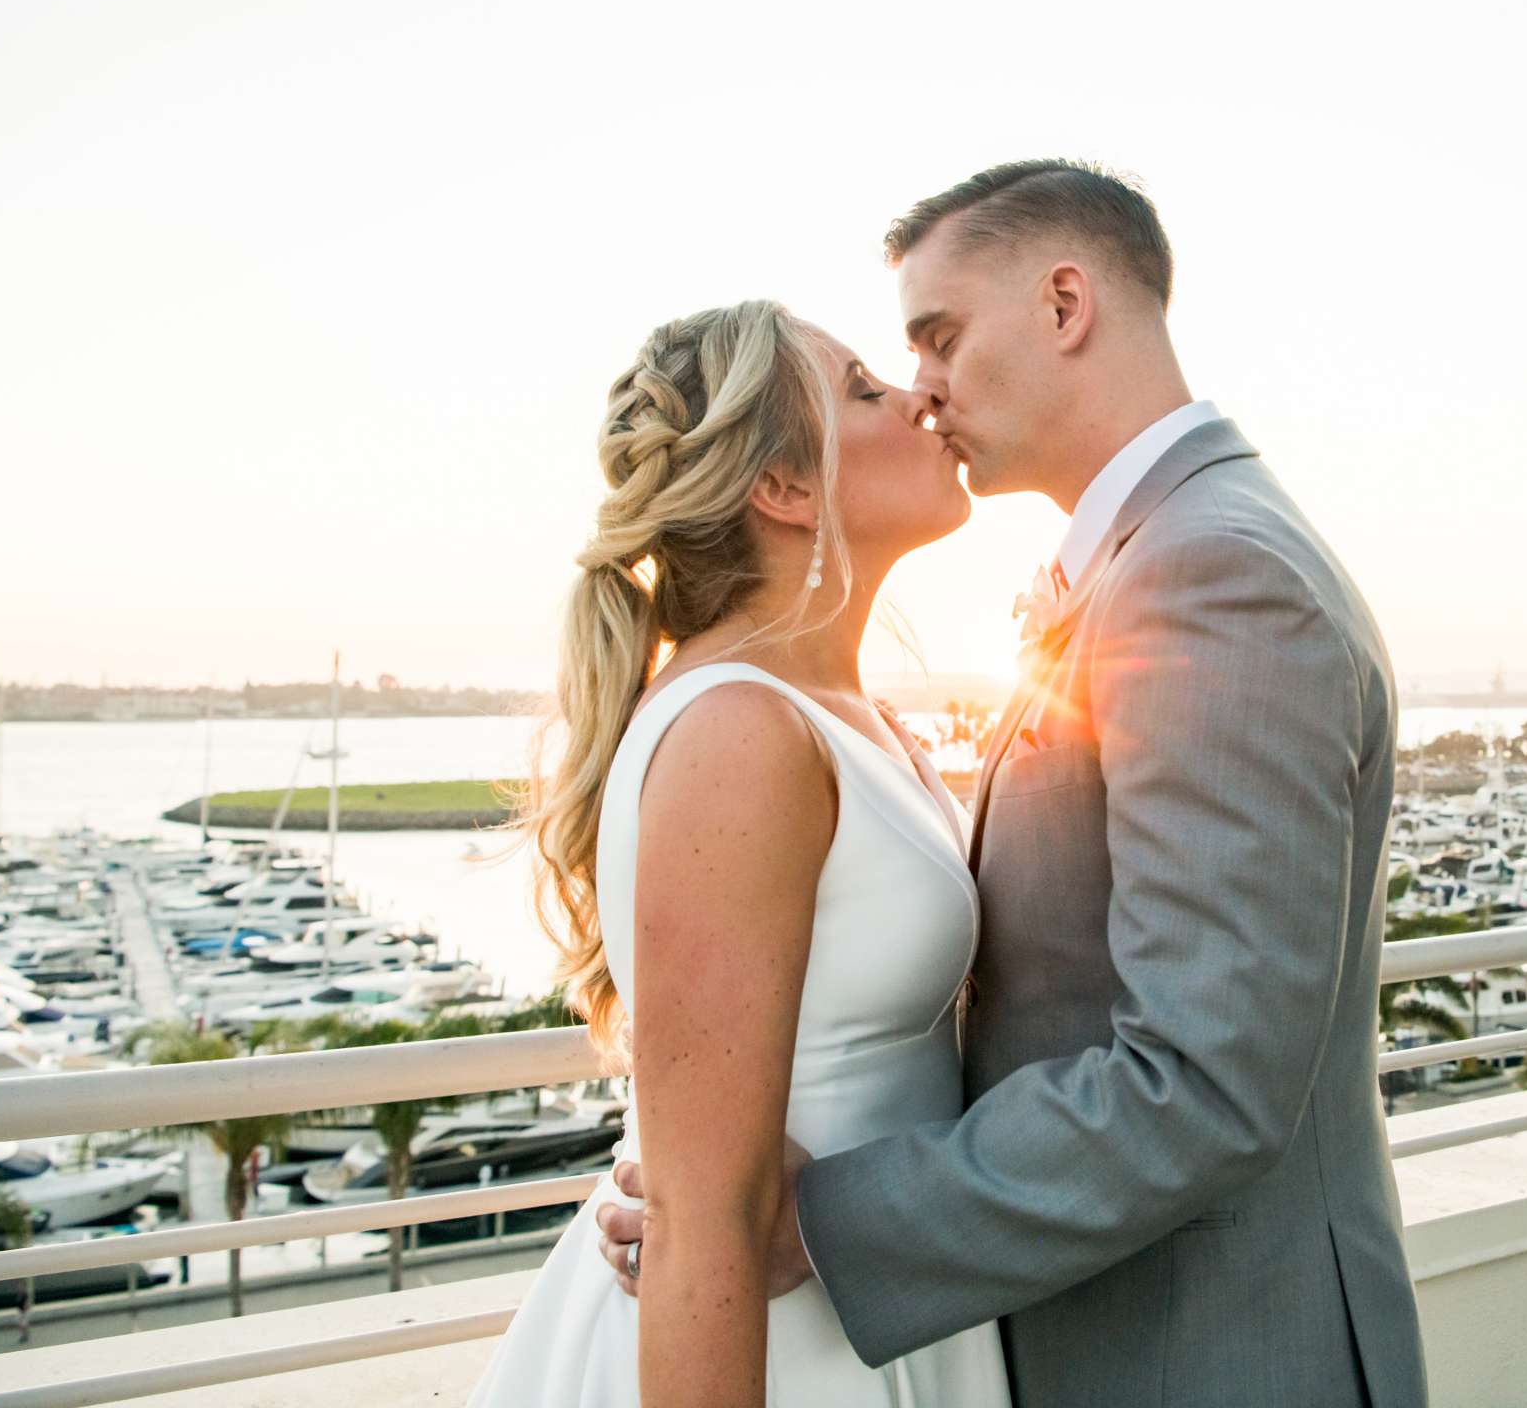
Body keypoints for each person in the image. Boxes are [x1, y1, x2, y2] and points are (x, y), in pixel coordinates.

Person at [594, 161, 1427, 1406]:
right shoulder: (1158, 564)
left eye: (936, 337)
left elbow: (1204, 1079)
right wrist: (706, 1162)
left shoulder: (1207, 578)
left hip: (1205, 1352)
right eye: (886, 371)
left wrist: (812, 1215)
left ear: (1065, 303)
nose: (923, 391)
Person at [467, 297, 1011, 1405]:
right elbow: (703, 1218)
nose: (918, 396)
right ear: (785, 487)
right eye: (863, 388)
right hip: (780, 1343)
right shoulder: (739, 732)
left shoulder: (843, 712)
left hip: (875, 1297)